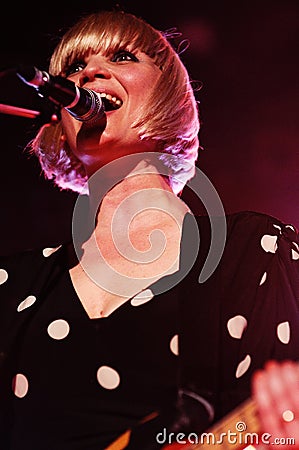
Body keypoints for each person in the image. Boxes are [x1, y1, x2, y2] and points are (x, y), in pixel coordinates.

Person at [0, 7, 298, 450]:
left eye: (121, 57)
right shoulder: (12, 284)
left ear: (170, 98)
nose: (89, 74)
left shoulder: (251, 252)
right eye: (75, 67)